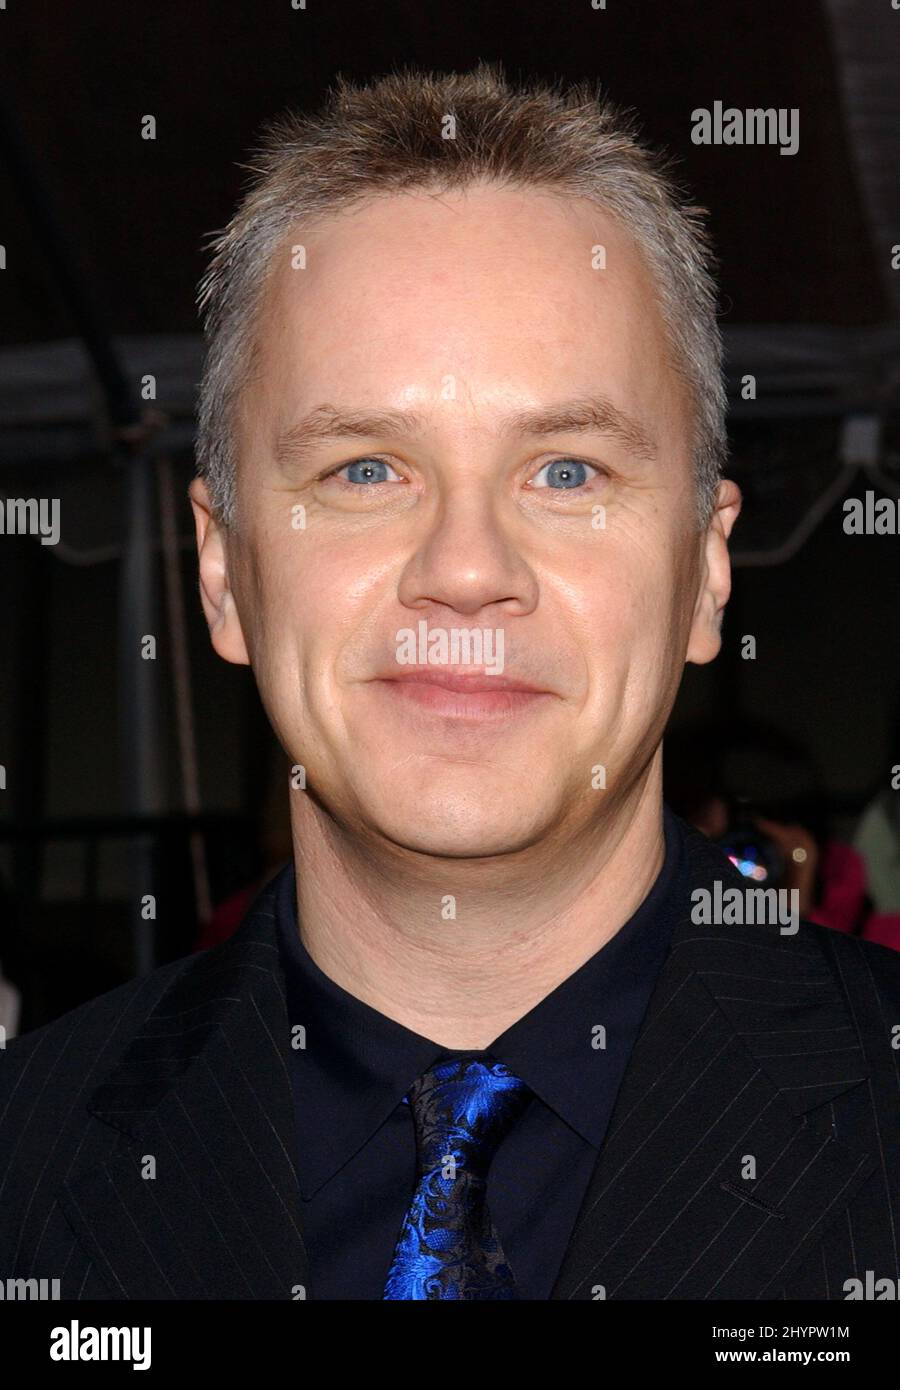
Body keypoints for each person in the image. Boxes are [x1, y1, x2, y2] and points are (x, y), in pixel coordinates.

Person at [1, 62, 898, 1302]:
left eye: (568, 471)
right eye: (366, 469)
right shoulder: (23, 1167)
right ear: (220, 573)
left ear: (704, 572)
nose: (466, 570)